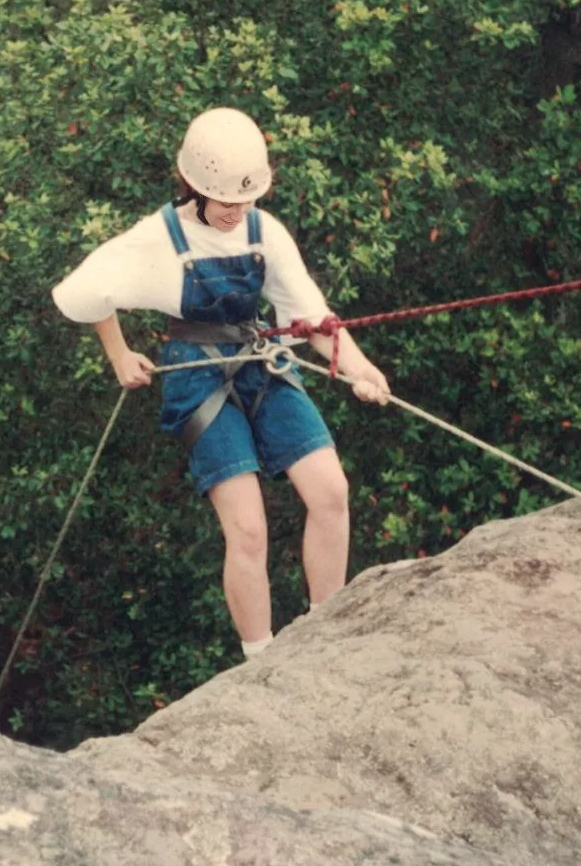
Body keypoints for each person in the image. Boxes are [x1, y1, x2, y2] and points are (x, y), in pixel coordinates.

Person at [52, 107, 390, 659]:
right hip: (197, 377)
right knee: (249, 528)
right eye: (226, 200)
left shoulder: (264, 232)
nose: (237, 211)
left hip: (261, 361)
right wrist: (118, 354)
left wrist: (359, 368)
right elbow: (84, 290)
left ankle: (329, 634)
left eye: (246, 199)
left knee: (332, 492)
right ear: (194, 186)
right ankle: (261, 659)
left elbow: (311, 318)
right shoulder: (158, 237)